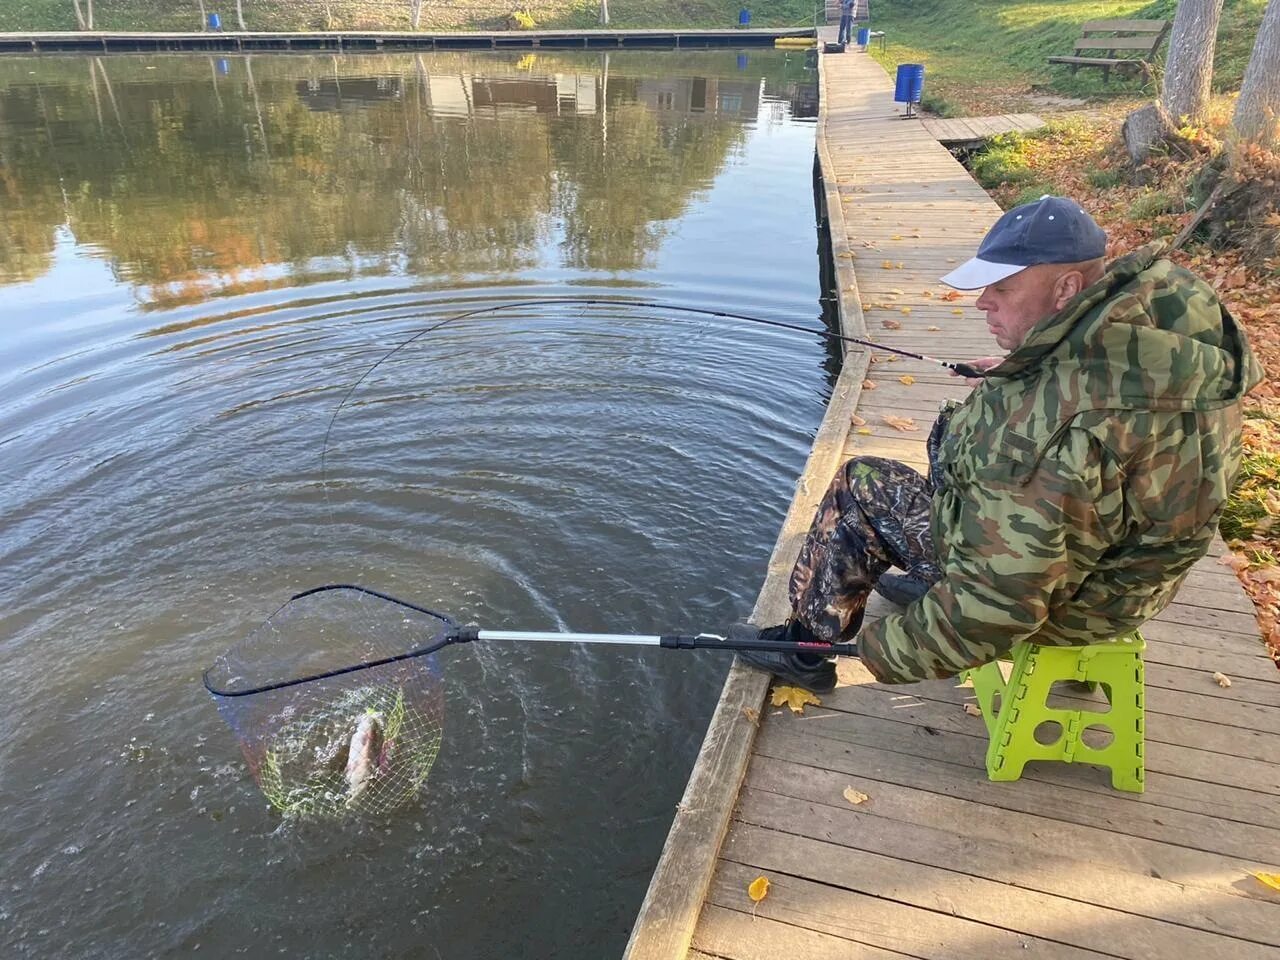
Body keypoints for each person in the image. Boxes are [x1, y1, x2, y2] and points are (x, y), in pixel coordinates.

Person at [733, 195, 1261, 692]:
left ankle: (806, 650)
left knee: (862, 485)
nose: (983, 303)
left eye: (1003, 289)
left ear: (1065, 289)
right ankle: (930, 579)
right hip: (1128, 579)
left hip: (1070, 603)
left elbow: (999, 607)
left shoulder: (1058, 443)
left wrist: (874, 651)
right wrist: (1029, 369)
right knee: (952, 442)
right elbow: (1111, 427)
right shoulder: (1160, 335)